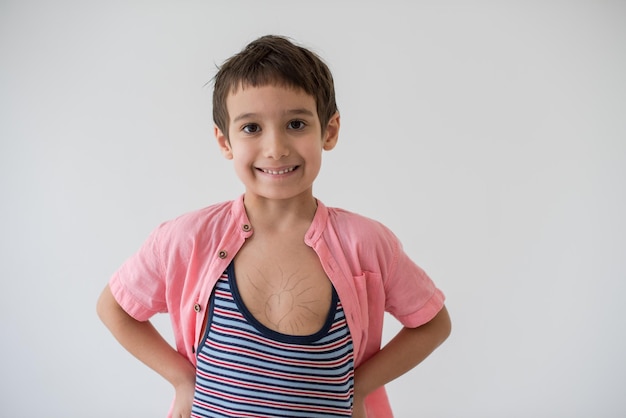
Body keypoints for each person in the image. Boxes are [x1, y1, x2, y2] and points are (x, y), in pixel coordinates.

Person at [97, 34, 451, 418]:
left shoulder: (367, 243)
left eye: (296, 123)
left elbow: (433, 324)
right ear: (224, 140)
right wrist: (183, 380)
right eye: (251, 128)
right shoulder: (186, 238)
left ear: (329, 131)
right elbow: (114, 308)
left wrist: (360, 387)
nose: (276, 148)